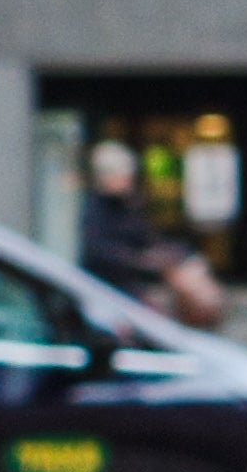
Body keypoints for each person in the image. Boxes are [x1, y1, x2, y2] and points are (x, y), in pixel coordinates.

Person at [77, 130, 222, 334]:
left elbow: (148, 239)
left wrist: (172, 256)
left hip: (133, 286)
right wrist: (142, 261)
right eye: (123, 175)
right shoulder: (97, 209)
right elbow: (100, 251)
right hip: (113, 291)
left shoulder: (128, 206)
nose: (127, 180)